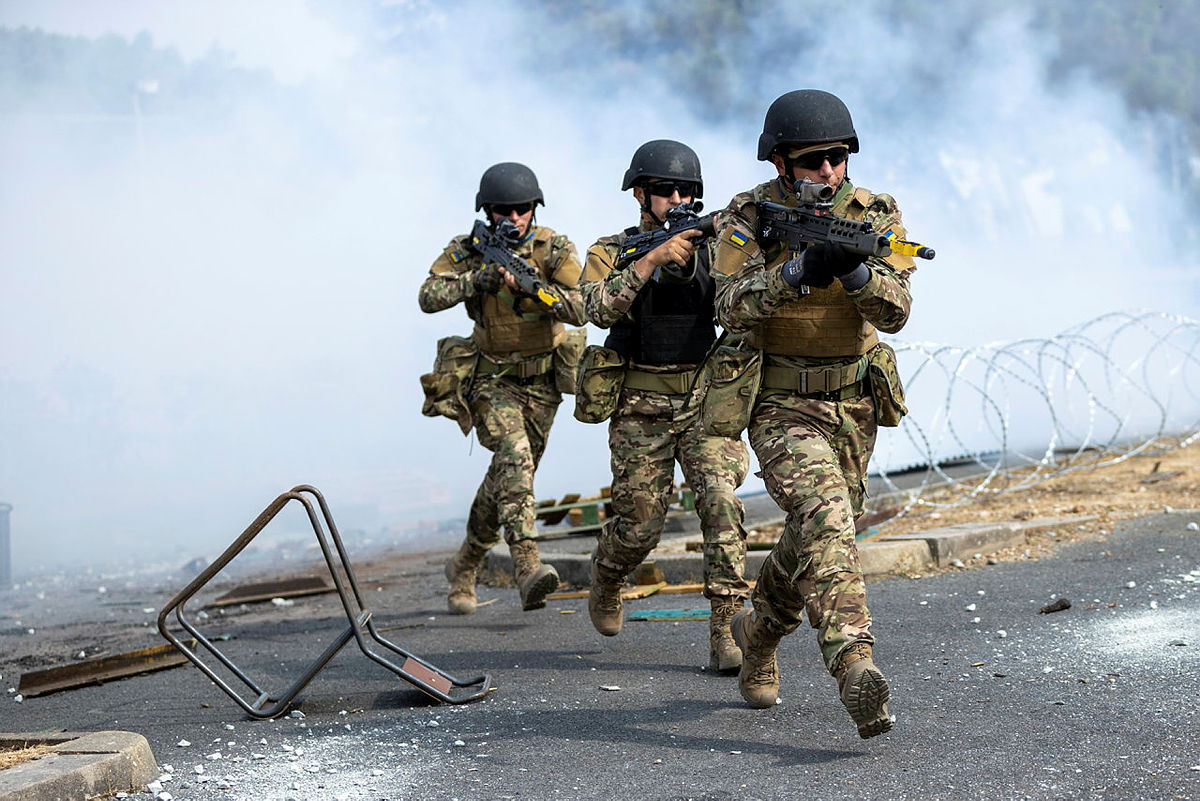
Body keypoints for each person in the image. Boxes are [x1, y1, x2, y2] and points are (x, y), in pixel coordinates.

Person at [711, 90, 918, 738]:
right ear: (779, 163)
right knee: (826, 515)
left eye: (837, 158)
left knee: (817, 533)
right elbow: (727, 303)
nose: (828, 172)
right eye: (812, 160)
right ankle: (854, 665)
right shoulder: (748, 215)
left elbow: (897, 310)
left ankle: (758, 632)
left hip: (853, 403)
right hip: (780, 403)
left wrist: (856, 275)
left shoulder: (877, 213)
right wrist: (796, 269)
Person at [579, 140, 751, 672]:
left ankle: (726, 626)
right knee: (640, 525)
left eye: (685, 191)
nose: (676, 199)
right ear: (640, 194)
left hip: (704, 401)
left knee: (721, 504)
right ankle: (608, 575)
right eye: (664, 190)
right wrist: (650, 260)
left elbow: (742, 306)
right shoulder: (612, 250)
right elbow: (592, 308)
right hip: (640, 405)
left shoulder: (714, 246)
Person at [419, 162, 586, 614]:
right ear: (487, 211)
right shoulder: (470, 249)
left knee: (509, 479)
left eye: (521, 210)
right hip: (491, 379)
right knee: (515, 457)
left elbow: (582, 307)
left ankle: (465, 564)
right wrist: (475, 280)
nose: (513, 218)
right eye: (503, 211)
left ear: (534, 208)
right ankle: (526, 563)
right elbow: (428, 296)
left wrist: (534, 291)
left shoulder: (554, 248)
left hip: (543, 383)